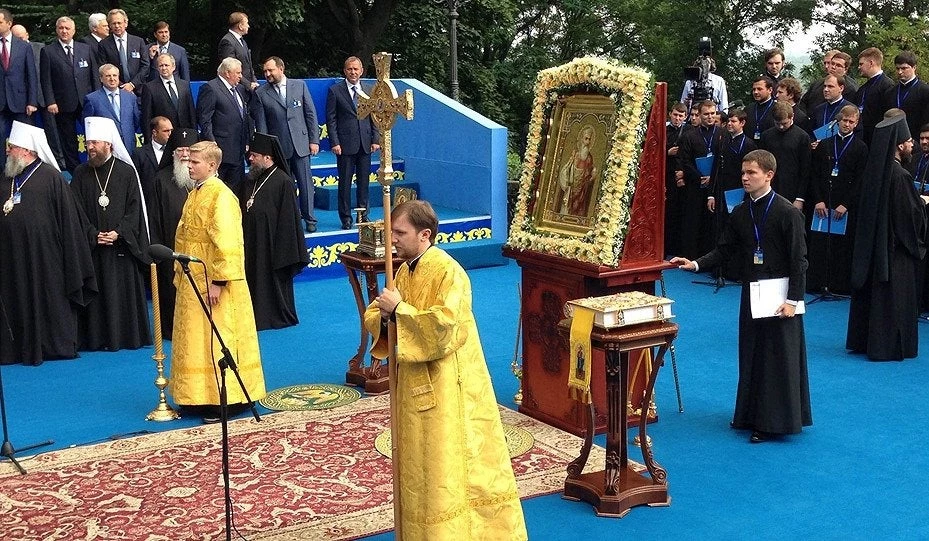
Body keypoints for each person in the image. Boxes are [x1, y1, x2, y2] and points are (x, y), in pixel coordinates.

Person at [364, 200, 527, 539]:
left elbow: (446, 328)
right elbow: (377, 312)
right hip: (412, 380)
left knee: (446, 463)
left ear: (425, 235)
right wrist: (384, 316)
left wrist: (400, 312)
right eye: (391, 232)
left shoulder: (448, 271)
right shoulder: (405, 269)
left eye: (399, 233)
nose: (392, 240)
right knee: (418, 462)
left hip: (447, 388)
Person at [672, 149, 811, 443]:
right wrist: (695, 263)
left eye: (752, 173)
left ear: (769, 175)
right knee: (751, 353)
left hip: (781, 297)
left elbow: (799, 261)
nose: (745, 178)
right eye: (743, 173)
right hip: (752, 292)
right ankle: (749, 414)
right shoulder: (740, 212)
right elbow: (725, 250)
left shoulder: (788, 213)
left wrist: (793, 301)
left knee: (777, 358)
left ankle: (773, 422)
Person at [169, 140, 265, 421]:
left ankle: (225, 398)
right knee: (195, 338)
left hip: (213, 281)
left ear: (212, 165)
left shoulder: (221, 196)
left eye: (195, 163)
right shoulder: (196, 193)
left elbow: (228, 242)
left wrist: (219, 282)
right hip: (192, 277)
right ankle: (197, 395)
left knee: (217, 337)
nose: (189, 166)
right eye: (189, 162)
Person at [0, 121, 96, 365]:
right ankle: (15, 346)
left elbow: (69, 223)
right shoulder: (6, 178)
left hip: (45, 258)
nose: (7, 151)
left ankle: (49, 345)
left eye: (11, 147)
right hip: (11, 257)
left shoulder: (52, 178)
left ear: (27, 150)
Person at [847, 114, 928, 360]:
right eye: (910, 142)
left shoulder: (875, 171)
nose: (913, 145)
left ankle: (865, 340)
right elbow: (910, 219)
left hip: (872, 250)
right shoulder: (900, 176)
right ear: (900, 145)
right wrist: (923, 207)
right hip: (895, 252)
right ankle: (889, 346)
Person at [70, 116, 151, 351]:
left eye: (95, 143)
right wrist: (93, 233)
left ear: (109, 144)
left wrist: (118, 232)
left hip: (121, 247)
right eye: (88, 142)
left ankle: (126, 337)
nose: (90, 147)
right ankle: (97, 339)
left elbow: (135, 209)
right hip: (93, 249)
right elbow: (75, 211)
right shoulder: (80, 173)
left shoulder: (126, 172)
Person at [238, 132, 309, 330]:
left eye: (254, 155)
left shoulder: (283, 181)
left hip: (272, 245)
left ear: (267, 157)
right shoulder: (251, 178)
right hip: (251, 240)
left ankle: (272, 315)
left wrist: (282, 250)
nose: (250, 159)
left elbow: (289, 221)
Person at [254, 56, 320, 233]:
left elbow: (310, 114)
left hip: (301, 145)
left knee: (306, 184)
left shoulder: (299, 86)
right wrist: (266, 150)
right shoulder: (261, 93)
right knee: (285, 185)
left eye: (270, 70)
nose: (267, 74)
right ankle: (290, 218)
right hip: (279, 148)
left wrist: (314, 140)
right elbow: (262, 125)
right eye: (265, 71)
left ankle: (310, 218)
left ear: (281, 69)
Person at [807, 105, 867, 294]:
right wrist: (818, 200)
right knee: (819, 245)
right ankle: (817, 283)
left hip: (844, 206)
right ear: (838, 121)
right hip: (822, 204)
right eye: (844, 121)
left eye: (851, 122)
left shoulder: (860, 148)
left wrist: (846, 205)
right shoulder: (824, 144)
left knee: (841, 247)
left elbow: (860, 180)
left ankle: (837, 285)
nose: (846, 124)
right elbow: (814, 175)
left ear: (856, 124)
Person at [151, 127, 198, 339]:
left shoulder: (204, 179)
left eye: (189, 150)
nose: (185, 155)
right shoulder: (161, 179)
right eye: (180, 150)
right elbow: (154, 219)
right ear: (173, 152)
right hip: (171, 251)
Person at [326, 56, 381, 229]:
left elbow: (374, 116)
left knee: (364, 183)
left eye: (356, 69)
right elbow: (331, 119)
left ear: (362, 71)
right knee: (345, 183)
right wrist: (334, 142)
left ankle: (363, 216)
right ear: (345, 71)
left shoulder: (369, 89)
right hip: (345, 145)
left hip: (365, 143)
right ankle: (346, 218)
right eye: (350, 69)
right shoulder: (335, 91)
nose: (353, 72)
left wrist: (375, 138)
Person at [40, 16, 98, 174]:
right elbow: (45, 80)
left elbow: (94, 75)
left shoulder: (85, 49)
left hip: (87, 101)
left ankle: (95, 164)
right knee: (69, 140)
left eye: (67, 28)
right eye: (61, 28)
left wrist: (97, 98)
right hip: (63, 103)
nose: (64, 31)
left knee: (93, 135)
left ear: (74, 30)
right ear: (57, 30)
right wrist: (50, 101)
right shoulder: (48, 51)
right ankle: (75, 171)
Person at [707, 107, 757, 278]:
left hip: (740, 192)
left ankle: (735, 270)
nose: (729, 124)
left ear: (742, 123)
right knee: (720, 229)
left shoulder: (749, 144)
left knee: (737, 229)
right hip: (721, 191)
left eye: (733, 121)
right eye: (728, 121)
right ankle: (719, 268)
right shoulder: (722, 140)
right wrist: (711, 194)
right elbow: (715, 168)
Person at [677, 100, 725, 258]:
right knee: (693, 220)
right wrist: (699, 177)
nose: (710, 117)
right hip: (695, 185)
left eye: (713, 114)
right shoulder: (689, 135)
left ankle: (710, 256)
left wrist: (713, 178)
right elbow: (685, 161)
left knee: (711, 221)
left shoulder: (722, 134)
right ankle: (691, 256)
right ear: (700, 114)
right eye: (706, 114)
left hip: (715, 184)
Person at [196, 57, 253, 188]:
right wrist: (212, 143)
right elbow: (205, 119)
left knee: (236, 192)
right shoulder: (211, 88)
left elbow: (242, 117)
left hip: (238, 152)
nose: (241, 76)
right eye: (238, 73)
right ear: (227, 73)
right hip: (220, 153)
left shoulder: (238, 89)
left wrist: (247, 142)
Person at [0, 9, 39, 173]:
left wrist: (32, 101)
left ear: (9, 23)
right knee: (1, 139)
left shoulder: (23, 46)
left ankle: (25, 170)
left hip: (21, 102)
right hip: (1, 102)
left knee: (23, 139)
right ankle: (3, 172)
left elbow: (31, 75)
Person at [759, 102, 811, 210]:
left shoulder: (802, 137)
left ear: (792, 117)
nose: (781, 127)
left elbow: (805, 169)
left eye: (785, 123)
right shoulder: (766, 136)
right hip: (770, 187)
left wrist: (800, 198)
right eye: (778, 123)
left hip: (792, 190)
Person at [83, 64, 140, 155]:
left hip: (129, 146)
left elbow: (136, 122)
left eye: (114, 75)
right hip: (106, 148)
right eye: (108, 76)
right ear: (101, 79)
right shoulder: (92, 99)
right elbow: (89, 127)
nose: (112, 79)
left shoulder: (130, 98)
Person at [140, 52, 196, 144]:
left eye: (166, 65)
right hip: (163, 137)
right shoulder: (149, 88)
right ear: (157, 68)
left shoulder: (184, 85)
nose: (164, 68)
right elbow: (146, 117)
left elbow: (191, 112)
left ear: (173, 67)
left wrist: (194, 134)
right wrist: (148, 140)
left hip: (184, 135)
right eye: (161, 65)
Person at [94, 9, 149, 94]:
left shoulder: (138, 42)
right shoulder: (103, 44)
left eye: (119, 23)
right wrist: (122, 86)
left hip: (139, 89)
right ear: (110, 26)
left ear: (125, 23)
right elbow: (103, 68)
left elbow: (145, 65)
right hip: (117, 91)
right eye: (113, 23)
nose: (117, 26)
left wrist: (132, 84)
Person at [881, 51, 929, 141]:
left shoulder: (925, 91)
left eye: (904, 68)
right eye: (897, 68)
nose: (900, 72)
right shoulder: (890, 92)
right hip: (893, 139)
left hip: (916, 140)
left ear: (914, 67)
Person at [553, 124, 598, 217]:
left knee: (578, 207)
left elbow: (589, 172)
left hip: (582, 187)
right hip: (572, 185)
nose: (588, 142)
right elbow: (568, 168)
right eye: (586, 139)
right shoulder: (576, 154)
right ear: (582, 139)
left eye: (589, 139)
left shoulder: (589, 158)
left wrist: (592, 175)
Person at [855, 47, 893, 144]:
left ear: (871, 63)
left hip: (878, 138)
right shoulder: (862, 89)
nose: (859, 67)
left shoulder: (887, 85)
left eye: (861, 64)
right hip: (861, 138)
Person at [133, 115, 172, 209]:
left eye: (171, 130)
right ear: (154, 132)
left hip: (169, 203)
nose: (170, 134)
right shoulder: (139, 154)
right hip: (149, 204)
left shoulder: (175, 151)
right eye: (166, 131)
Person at [665, 102, 688, 256]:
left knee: (680, 212)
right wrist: (667, 152)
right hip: (665, 175)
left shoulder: (688, 132)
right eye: (675, 115)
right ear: (670, 114)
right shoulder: (664, 130)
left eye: (680, 116)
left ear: (685, 117)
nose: (677, 118)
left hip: (681, 177)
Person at [217, 12, 257, 90]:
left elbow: (249, 66)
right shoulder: (227, 41)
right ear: (240, 26)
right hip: (237, 88)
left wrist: (254, 82)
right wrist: (248, 84)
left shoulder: (242, 41)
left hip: (248, 87)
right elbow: (230, 68)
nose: (248, 26)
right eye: (247, 23)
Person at [743, 77, 776, 141]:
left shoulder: (777, 109)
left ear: (770, 90)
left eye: (759, 89)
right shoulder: (748, 109)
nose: (755, 92)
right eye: (754, 89)